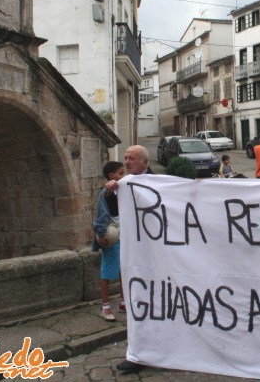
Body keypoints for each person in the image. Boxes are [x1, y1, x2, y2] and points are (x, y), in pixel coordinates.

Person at [103, 145, 153, 375]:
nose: (127, 162)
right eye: (125, 158)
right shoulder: (123, 183)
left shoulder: (158, 182)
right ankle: (138, 354)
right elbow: (115, 210)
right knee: (137, 302)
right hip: (134, 253)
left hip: (155, 254)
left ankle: (153, 349)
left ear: (144, 161)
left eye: (131, 158)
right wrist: (110, 193)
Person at [92, 161, 126, 322]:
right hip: (112, 238)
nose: (123, 176)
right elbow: (101, 215)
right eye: (121, 173)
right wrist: (101, 234)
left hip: (123, 236)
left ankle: (123, 302)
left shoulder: (122, 191)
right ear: (112, 176)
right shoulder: (105, 193)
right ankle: (105, 307)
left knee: (123, 271)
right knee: (107, 272)